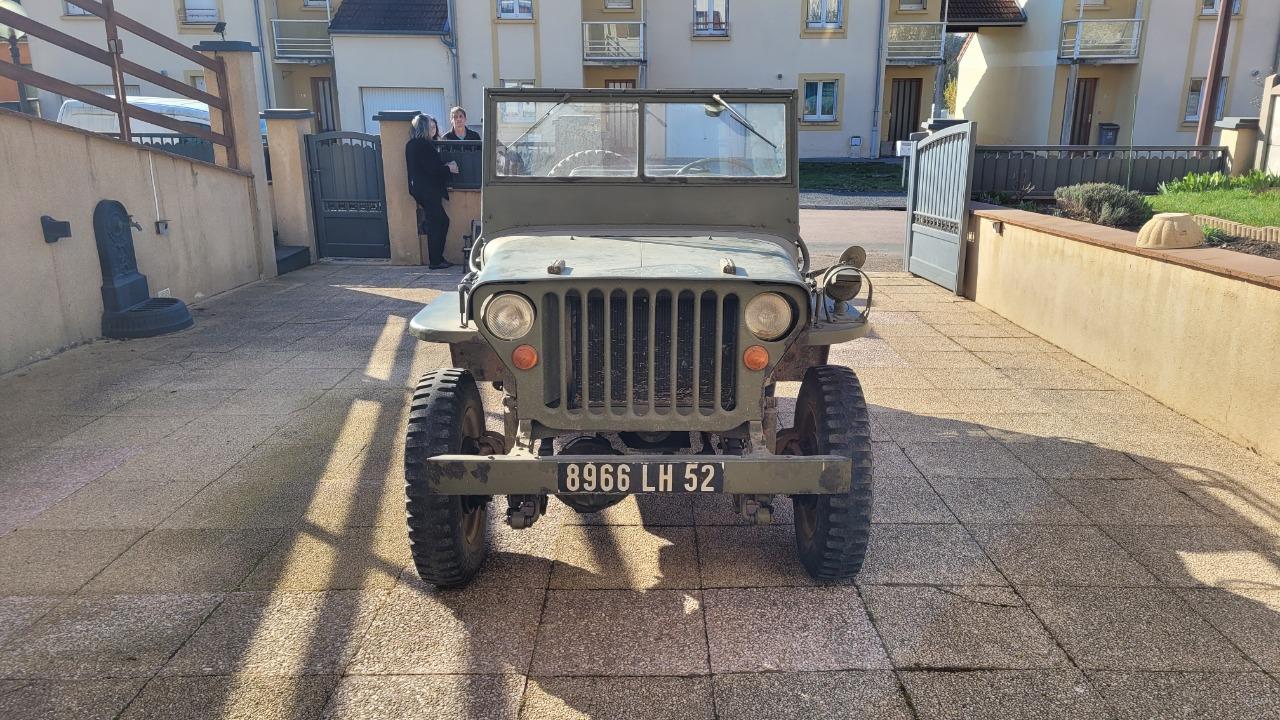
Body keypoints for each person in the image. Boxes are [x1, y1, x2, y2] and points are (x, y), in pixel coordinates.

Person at [406, 113, 459, 269]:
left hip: (419, 189)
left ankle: (436, 258)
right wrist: (449, 168)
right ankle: (435, 261)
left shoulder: (411, 144)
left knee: (437, 221)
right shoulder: (423, 145)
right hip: (428, 190)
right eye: (431, 126)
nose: (433, 128)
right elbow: (432, 169)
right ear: (423, 127)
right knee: (439, 222)